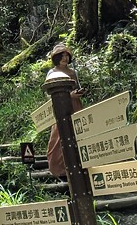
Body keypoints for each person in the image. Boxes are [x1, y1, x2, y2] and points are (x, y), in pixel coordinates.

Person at [46, 43, 86, 179]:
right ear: (56, 58)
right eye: (62, 56)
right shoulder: (52, 73)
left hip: (76, 105)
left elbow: (77, 85)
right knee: (58, 135)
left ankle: (81, 164)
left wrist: (79, 93)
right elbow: (49, 94)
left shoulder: (73, 72)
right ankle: (58, 168)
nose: (65, 59)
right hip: (61, 106)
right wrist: (69, 95)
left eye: (66, 56)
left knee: (79, 132)